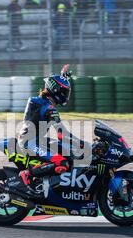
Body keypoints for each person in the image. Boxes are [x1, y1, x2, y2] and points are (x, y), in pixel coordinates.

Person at [17, 65, 85, 197]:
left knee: (67, 152)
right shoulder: (49, 107)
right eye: (64, 91)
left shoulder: (42, 102)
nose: (65, 95)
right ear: (56, 90)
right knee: (62, 162)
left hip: (36, 140)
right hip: (30, 143)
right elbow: (62, 134)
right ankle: (28, 174)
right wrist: (81, 143)